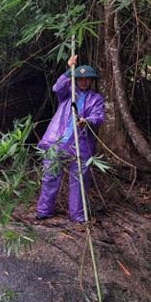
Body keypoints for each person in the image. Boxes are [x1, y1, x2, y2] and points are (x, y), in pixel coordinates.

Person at [35, 55, 105, 222]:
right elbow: (57, 87)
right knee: (50, 176)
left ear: (91, 81)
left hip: (81, 145)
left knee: (79, 180)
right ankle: (44, 211)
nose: (83, 82)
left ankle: (77, 215)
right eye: (80, 79)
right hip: (57, 141)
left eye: (87, 79)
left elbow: (98, 117)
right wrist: (69, 70)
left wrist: (85, 121)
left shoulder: (96, 98)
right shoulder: (67, 93)